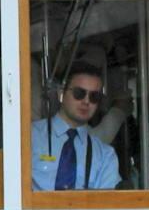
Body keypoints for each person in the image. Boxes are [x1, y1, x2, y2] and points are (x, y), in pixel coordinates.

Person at [30, 61, 121, 191]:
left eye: (94, 96)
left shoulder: (105, 156)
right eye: (79, 93)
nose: (86, 101)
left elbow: (104, 207)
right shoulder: (29, 137)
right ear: (61, 93)